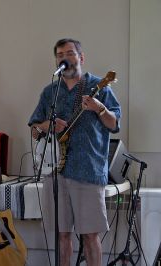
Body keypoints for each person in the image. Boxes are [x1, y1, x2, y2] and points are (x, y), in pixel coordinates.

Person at [28, 38, 121, 266]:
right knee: (61, 235)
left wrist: (98, 108)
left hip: (87, 171)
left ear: (81, 58)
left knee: (90, 235)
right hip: (56, 173)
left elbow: (114, 124)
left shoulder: (100, 86)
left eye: (69, 53)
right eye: (60, 55)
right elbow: (33, 126)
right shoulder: (51, 91)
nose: (64, 58)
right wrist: (47, 126)